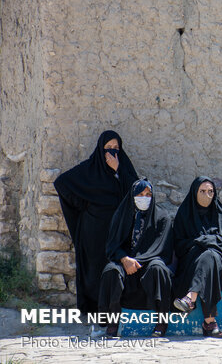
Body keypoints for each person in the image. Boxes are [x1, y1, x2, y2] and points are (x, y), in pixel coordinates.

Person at [53, 130, 138, 322]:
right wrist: (83, 206)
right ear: (101, 149)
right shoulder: (90, 169)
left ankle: (114, 312)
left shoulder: (124, 169)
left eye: (116, 148)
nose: (113, 152)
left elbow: (135, 192)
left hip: (117, 231)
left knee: (114, 269)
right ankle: (96, 312)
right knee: (94, 270)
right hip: (93, 231)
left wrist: (118, 170)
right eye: (108, 148)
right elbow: (61, 183)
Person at [98, 179, 173, 337]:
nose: (144, 197)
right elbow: (112, 246)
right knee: (111, 270)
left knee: (159, 269)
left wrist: (138, 261)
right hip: (125, 263)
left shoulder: (162, 218)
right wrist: (125, 260)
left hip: (149, 263)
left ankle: (161, 322)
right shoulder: (121, 215)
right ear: (132, 196)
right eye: (140, 194)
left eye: (148, 194)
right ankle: (112, 321)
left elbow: (162, 248)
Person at [172, 176, 222, 337]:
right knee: (208, 256)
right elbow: (178, 244)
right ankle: (209, 322)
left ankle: (190, 297)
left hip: (220, 261)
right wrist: (202, 243)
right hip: (192, 260)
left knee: (210, 256)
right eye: (202, 191)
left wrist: (204, 241)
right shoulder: (185, 214)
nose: (207, 195)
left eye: (210, 191)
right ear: (194, 192)